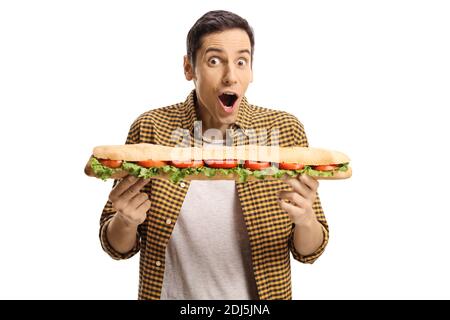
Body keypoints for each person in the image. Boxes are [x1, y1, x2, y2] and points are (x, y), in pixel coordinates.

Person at [98, 10, 329, 300]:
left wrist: (305, 219)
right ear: (188, 68)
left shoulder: (285, 131)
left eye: (241, 61)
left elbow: (310, 251)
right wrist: (126, 221)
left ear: (252, 70)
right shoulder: (150, 129)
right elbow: (115, 246)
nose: (230, 76)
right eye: (214, 61)